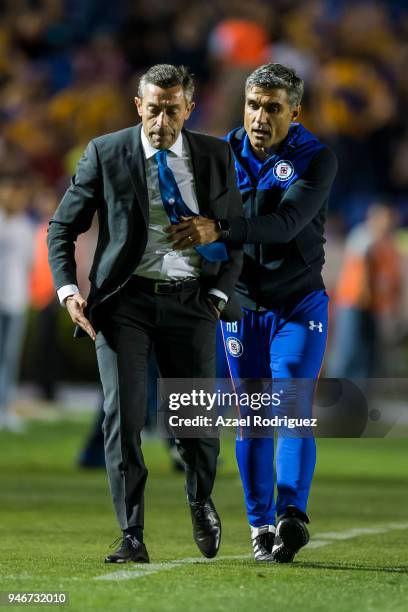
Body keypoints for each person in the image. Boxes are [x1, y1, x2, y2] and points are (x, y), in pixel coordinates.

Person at [47, 64, 243, 564]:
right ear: (138, 105)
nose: (160, 120)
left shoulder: (216, 155)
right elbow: (61, 229)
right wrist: (69, 291)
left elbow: (236, 232)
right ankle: (131, 532)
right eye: (152, 109)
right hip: (123, 304)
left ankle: (200, 500)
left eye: (171, 110)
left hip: (191, 300)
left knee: (195, 422)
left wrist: (218, 291)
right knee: (123, 417)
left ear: (188, 109)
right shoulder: (106, 152)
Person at [169, 63, 337, 563]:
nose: (259, 117)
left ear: (295, 112)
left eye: (272, 108)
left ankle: (292, 513)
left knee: (291, 396)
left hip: (299, 302)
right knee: (253, 416)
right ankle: (262, 525)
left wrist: (217, 230)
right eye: (253, 105)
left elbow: (285, 225)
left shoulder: (316, 158)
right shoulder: (220, 155)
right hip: (241, 306)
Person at [327, 203, 402, 378]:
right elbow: (365, 269)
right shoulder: (363, 236)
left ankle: (362, 392)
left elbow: (393, 277)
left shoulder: (389, 242)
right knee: (348, 349)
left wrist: (390, 304)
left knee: (370, 353)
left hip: (374, 304)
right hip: (353, 302)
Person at [0, 177, 35, 432]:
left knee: (10, 357)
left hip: (15, 300)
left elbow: (29, 265)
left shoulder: (25, 227)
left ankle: (4, 407)